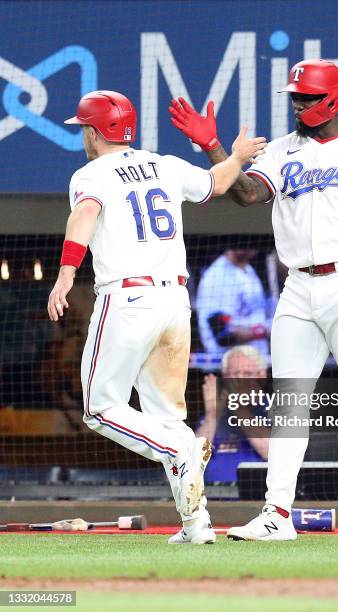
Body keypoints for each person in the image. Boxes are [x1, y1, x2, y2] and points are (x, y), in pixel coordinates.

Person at [169, 59, 338, 541]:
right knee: (288, 403)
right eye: (295, 96)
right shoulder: (281, 150)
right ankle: (277, 515)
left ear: (332, 99)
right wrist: (213, 148)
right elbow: (245, 194)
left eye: (307, 97)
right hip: (298, 286)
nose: (299, 104)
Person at [47, 90, 266, 545]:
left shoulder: (91, 173)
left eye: (84, 128)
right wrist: (239, 154)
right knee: (166, 415)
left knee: (99, 407)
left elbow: (85, 214)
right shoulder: (163, 164)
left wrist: (67, 272)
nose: (83, 135)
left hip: (127, 301)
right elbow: (217, 184)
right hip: (174, 303)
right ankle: (196, 524)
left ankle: (180, 450)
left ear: (93, 131)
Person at [197, 345, 269, 483]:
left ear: (262, 376)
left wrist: (240, 408)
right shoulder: (215, 412)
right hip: (212, 498)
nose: (239, 380)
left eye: (247, 374)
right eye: (234, 374)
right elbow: (190, 460)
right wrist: (212, 414)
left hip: (257, 498)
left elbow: (274, 454)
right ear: (224, 377)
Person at [196, 249, 270, 365]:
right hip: (229, 367)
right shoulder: (217, 276)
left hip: (256, 363)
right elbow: (222, 333)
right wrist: (265, 331)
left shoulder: (248, 270)